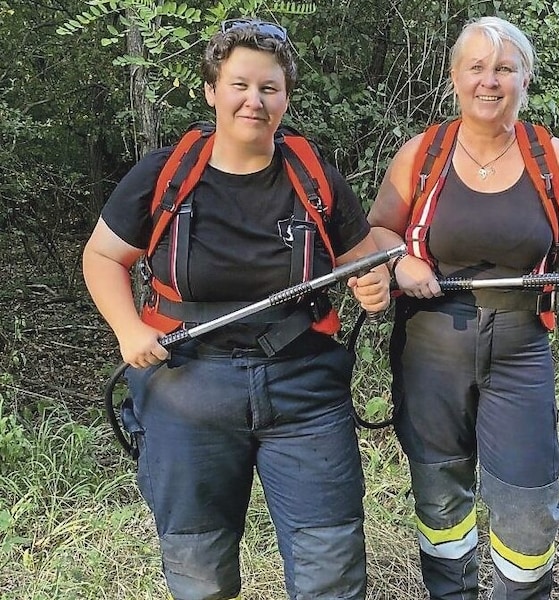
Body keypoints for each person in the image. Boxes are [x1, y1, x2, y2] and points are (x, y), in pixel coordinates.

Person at [82, 18, 389, 600]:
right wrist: (126, 329)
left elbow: (365, 261)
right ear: (212, 91)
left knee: (330, 562)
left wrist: (375, 284)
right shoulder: (164, 176)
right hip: (185, 388)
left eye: (269, 88)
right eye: (240, 85)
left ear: (286, 96)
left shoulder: (313, 175)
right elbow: (102, 257)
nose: (255, 100)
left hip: (305, 391)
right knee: (199, 570)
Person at [367, 16, 559, 600]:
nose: (490, 81)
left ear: (524, 78)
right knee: (440, 494)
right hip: (430, 347)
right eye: (476, 67)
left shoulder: (553, 158)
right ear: (454, 77)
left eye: (504, 69)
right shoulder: (421, 154)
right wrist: (401, 263)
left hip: (520, 347)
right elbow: (377, 230)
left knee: (528, 505)